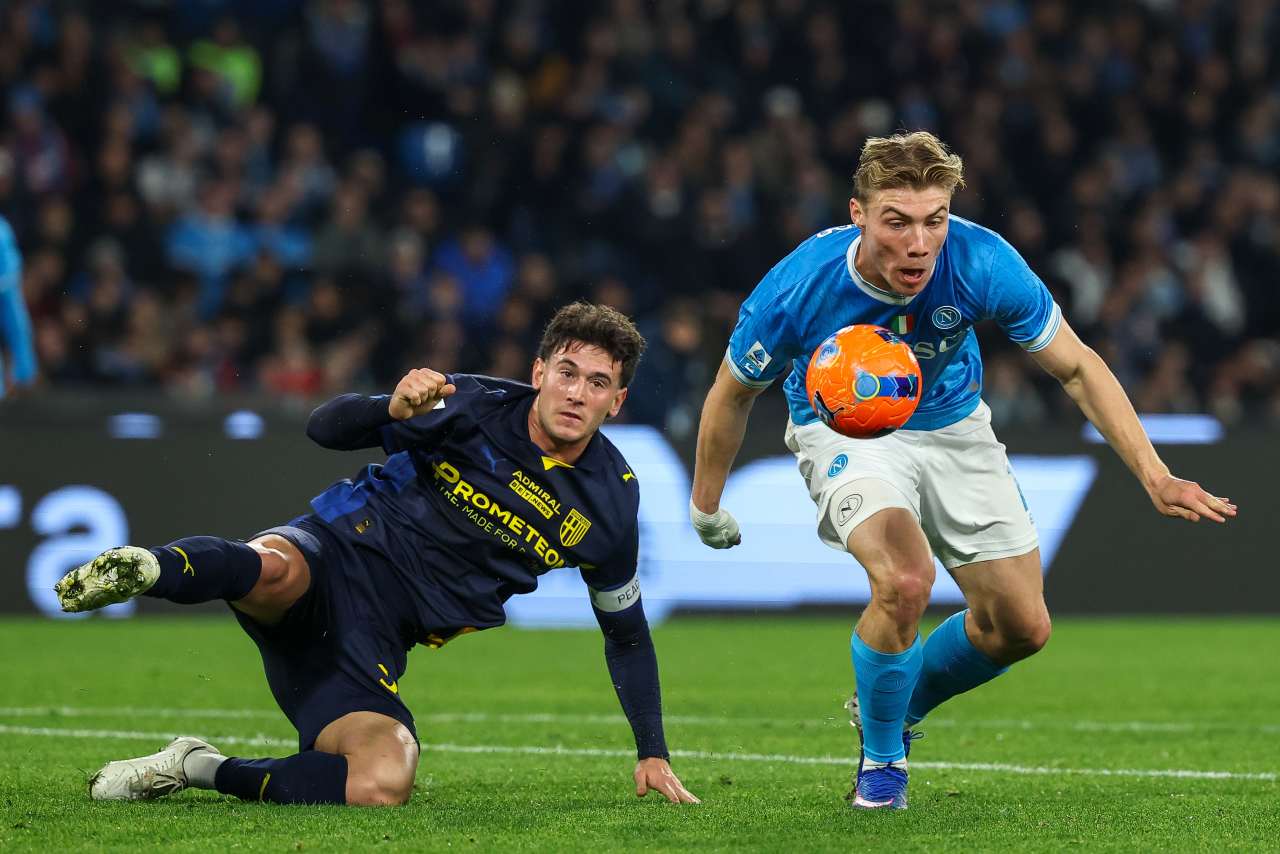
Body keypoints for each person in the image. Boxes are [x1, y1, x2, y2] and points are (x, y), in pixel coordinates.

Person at [687, 131, 1236, 810]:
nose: (919, 244)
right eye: (897, 223)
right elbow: (732, 394)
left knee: (1022, 627)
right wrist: (706, 506)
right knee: (904, 581)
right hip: (845, 431)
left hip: (954, 424)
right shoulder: (800, 287)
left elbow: (1076, 367)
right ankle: (883, 763)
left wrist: (1155, 475)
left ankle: (893, 705)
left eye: (935, 220)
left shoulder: (982, 261)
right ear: (858, 214)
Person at [55, 301, 699, 808]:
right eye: (567, 372)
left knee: (382, 780)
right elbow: (323, 427)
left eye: (598, 383)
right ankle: (150, 568)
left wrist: (652, 750)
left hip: (374, 641)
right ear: (539, 374)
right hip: (337, 553)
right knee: (272, 567)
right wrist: (386, 407)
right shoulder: (469, 404)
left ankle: (195, 766)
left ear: (617, 402)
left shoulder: (610, 508)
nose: (577, 393)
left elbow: (626, 634)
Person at [0, 214, 38, 399]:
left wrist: (24, 372)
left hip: (5, 295)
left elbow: (11, 270)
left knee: (18, 326)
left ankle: (24, 379)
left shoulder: (1, 230)